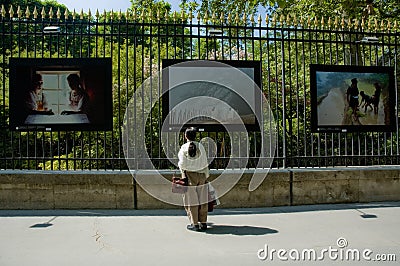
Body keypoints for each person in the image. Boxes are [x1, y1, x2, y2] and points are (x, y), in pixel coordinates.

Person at [178, 127, 210, 232]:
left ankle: (194, 223)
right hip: (201, 175)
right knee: (203, 199)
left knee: (191, 200)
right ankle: (203, 222)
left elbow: (182, 163)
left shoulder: (183, 148)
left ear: (185, 136)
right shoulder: (200, 146)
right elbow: (205, 162)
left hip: (189, 175)